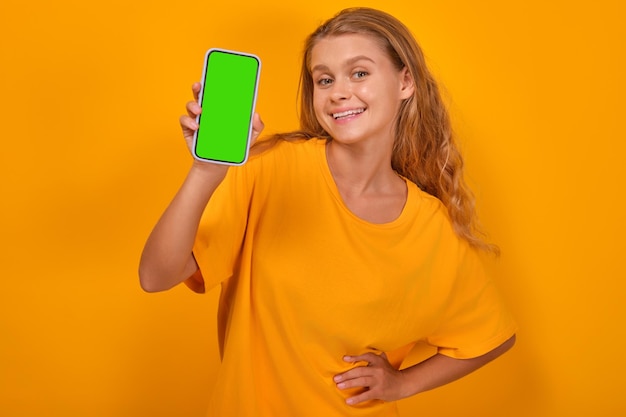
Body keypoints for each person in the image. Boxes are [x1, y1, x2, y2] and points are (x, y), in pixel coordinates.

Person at [139, 7, 517, 417]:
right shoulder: (270, 168)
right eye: (325, 79)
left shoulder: (429, 224)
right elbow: (155, 276)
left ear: (405, 81)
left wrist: (403, 383)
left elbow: (492, 337)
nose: (339, 92)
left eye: (359, 73)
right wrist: (204, 171)